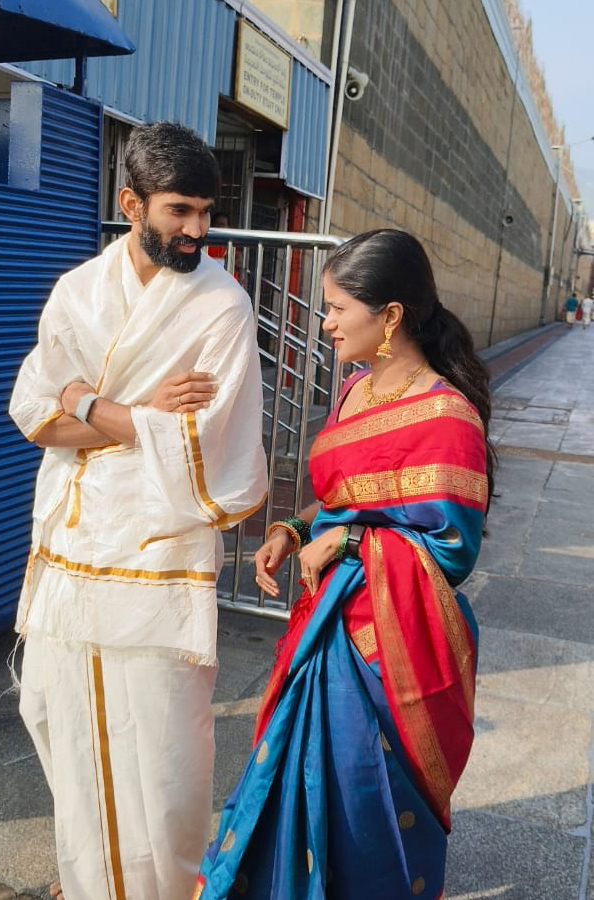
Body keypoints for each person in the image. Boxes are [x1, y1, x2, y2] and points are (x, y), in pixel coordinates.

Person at [192, 229, 495, 900]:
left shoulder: (448, 417)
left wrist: (352, 544)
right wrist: (293, 529)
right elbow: (342, 499)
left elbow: (451, 553)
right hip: (325, 623)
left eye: (336, 309)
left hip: (387, 650)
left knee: (363, 806)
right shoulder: (356, 391)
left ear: (390, 317)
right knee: (288, 788)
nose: (323, 324)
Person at [9, 122, 268, 900]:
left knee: (164, 754)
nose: (197, 230)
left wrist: (89, 401)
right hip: (73, 542)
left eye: (206, 213)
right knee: (61, 720)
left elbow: (205, 448)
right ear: (132, 203)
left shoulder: (221, 307)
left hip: (159, 553)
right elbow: (33, 415)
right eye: (179, 211)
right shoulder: (79, 293)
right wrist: (139, 416)